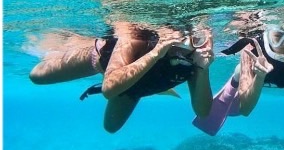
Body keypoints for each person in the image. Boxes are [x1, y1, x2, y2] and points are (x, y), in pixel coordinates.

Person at [196, 17, 284, 135]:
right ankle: (235, 81)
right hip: (263, 75)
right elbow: (245, 110)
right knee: (240, 70)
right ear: (267, 33)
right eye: (278, 36)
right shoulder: (252, 48)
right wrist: (259, 77)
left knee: (243, 69)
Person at [80, 22, 215, 133]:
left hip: (138, 87)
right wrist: (156, 53)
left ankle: (155, 88)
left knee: (111, 127)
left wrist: (203, 70)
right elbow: (108, 90)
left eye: (197, 39)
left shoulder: (195, 58)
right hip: (97, 60)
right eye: (180, 39)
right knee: (110, 126)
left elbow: (202, 112)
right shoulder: (138, 39)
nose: (184, 44)